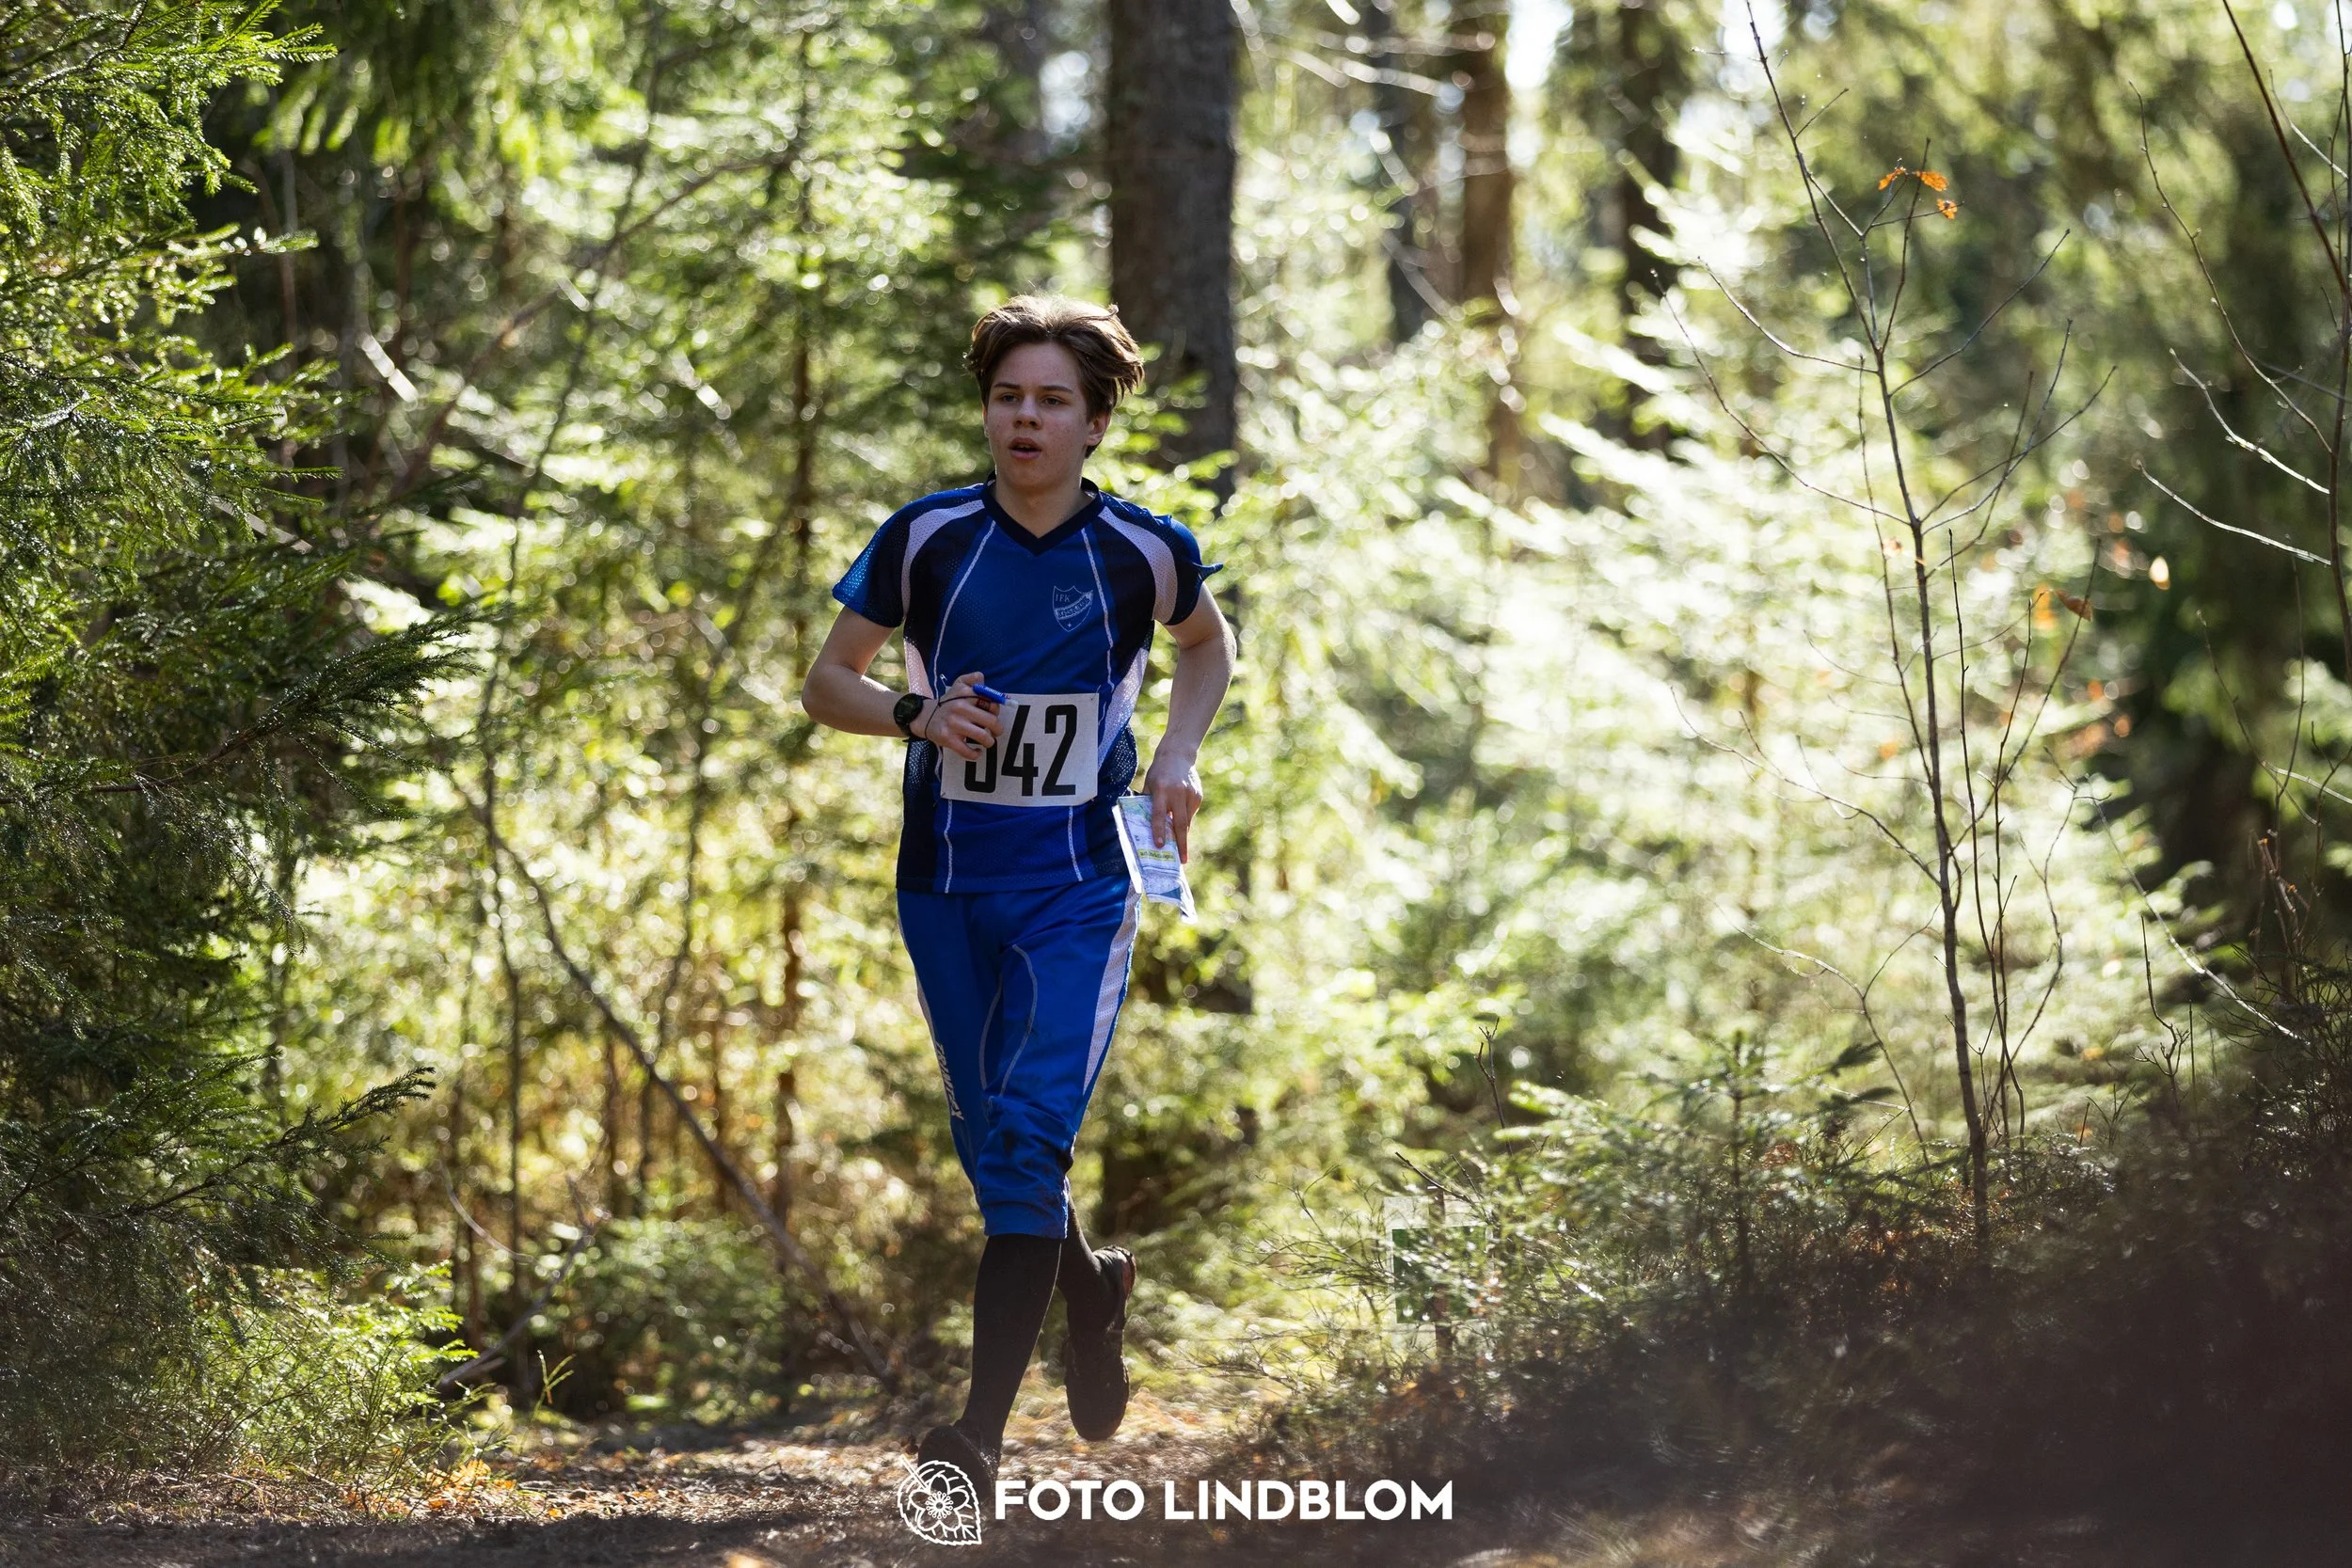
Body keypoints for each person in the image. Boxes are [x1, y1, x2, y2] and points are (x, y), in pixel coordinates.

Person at [801, 294, 1234, 1497]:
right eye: (1008, 397)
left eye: (1051, 400)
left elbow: (1210, 645)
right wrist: (914, 710)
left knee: (1030, 1136)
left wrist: (1176, 759)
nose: (1025, 418)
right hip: (944, 882)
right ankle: (1093, 1292)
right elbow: (825, 680)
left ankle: (977, 1443)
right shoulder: (926, 538)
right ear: (986, 410)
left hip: (1082, 881)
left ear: (1094, 422)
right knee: (994, 1146)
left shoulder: (1142, 549)